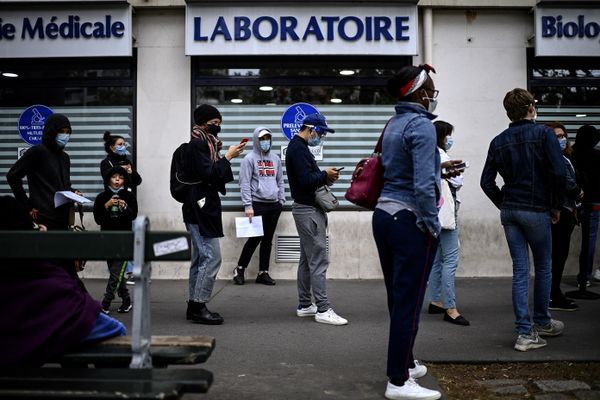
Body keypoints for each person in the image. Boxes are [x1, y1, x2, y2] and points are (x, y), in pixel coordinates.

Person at [372, 64, 444, 400]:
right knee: (410, 302)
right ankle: (398, 381)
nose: (434, 94)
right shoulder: (422, 125)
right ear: (418, 93)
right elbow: (423, 185)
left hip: (384, 215)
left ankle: (407, 361)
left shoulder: (394, 124)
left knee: (398, 298)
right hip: (410, 219)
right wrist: (432, 224)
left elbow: (397, 168)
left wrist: (442, 167)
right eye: (431, 88)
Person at [480, 88, 567, 352]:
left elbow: (486, 182)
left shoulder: (498, 141)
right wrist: (555, 206)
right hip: (536, 209)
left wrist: (504, 203)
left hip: (511, 211)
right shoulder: (543, 134)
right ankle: (541, 322)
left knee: (520, 270)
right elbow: (559, 173)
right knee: (543, 266)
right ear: (530, 107)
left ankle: (524, 333)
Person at [0, 195, 126, 368]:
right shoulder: (49, 280)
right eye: (35, 225)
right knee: (107, 333)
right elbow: (111, 328)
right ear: (28, 235)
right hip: (60, 333)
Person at [183, 104, 246, 325]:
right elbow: (209, 174)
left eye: (219, 124)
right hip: (198, 208)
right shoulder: (197, 145)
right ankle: (199, 305)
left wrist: (226, 157)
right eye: (214, 123)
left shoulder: (208, 144)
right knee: (211, 257)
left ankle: (194, 305)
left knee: (200, 258)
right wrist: (227, 157)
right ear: (202, 122)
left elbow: (216, 177)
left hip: (203, 207)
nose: (217, 128)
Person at [285, 112, 347, 326]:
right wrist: (325, 175)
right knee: (319, 259)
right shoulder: (298, 149)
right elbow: (305, 180)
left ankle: (305, 305)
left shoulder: (297, 147)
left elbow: (306, 178)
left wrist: (324, 175)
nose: (321, 137)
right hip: (308, 211)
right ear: (310, 129)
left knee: (306, 260)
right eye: (320, 132)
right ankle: (322, 308)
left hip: (305, 209)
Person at [427, 120, 469, 326]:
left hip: (433, 212)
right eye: (448, 135)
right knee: (451, 258)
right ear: (441, 136)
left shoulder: (428, 155)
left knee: (437, 258)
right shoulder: (442, 156)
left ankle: (435, 300)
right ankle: (450, 308)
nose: (450, 139)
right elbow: (457, 182)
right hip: (446, 212)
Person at [233, 127, 285, 286]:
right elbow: (245, 183)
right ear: (256, 140)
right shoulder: (249, 159)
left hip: (274, 205)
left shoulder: (275, 159)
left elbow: (280, 181)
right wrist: (248, 206)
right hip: (257, 204)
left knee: (267, 240)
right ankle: (240, 269)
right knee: (255, 239)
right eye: (262, 139)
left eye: (268, 138)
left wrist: (280, 200)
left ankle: (263, 272)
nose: (265, 141)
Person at [7, 113, 77, 230]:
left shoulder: (65, 157)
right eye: (61, 131)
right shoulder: (37, 152)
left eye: (67, 132)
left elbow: (63, 186)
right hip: (42, 219)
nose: (65, 135)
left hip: (62, 219)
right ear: (51, 131)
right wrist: (27, 206)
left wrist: (74, 192)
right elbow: (13, 176)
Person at [545, 122, 583, 311]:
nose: (561, 139)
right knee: (557, 256)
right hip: (559, 212)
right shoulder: (554, 159)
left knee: (559, 255)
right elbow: (564, 181)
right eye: (556, 136)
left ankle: (554, 293)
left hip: (567, 210)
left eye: (562, 135)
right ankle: (552, 296)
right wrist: (578, 191)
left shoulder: (563, 157)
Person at [93, 166, 138, 314]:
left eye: (121, 177)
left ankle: (105, 302)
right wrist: (107, 205)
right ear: (108, 179)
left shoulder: (129, 196)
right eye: (114, 177)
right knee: (116, 272)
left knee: (115, 273)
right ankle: (126, 300)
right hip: (107, 239)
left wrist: (124, 207)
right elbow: (98, 219)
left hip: (124, 240)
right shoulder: (101, 197)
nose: (117, 180)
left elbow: (133, 216)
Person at [567, 124, 600, 300]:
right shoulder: (596, 155)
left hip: (573, 202)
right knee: (589, 240)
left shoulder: (571, 154)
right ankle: (584, 277)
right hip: (593, 202)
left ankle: (582, 278)